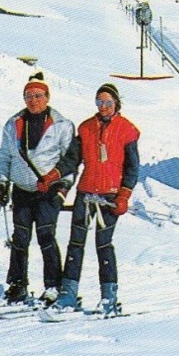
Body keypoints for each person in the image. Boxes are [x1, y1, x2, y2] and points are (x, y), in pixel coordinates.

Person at [51, 82, 141, 316]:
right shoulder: (86, 128)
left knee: (103, 244)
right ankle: (68, 294)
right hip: (86, 192)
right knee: (76, 243)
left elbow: (132, 168)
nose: (103, 106)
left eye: (108, 102)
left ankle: (109, 298)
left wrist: (124, 194)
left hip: (109, 196)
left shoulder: (127, 130)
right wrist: (55, 175)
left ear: (116, 103)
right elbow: (72, 159)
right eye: (99, 102)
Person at [0, 72, 77, 305]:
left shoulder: (62, 125)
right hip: (21, 188)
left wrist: (62, 189)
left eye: (38, 95)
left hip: (49, 190)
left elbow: (69, 160)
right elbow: (4, 156)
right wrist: (1, 182)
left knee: (45, 236)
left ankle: (53, 286)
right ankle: (17, 285)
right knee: (20, 238)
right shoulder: (13, 124)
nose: (33, 100)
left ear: (47, 97)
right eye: (28, 96)